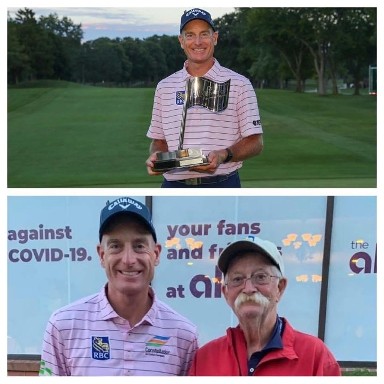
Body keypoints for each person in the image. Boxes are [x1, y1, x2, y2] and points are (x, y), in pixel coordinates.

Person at [39, 197, 198, 376]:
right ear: (101, 255)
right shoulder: (63, 325)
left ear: (156, 254)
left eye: (139, 246)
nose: (128, 260)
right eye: (116, 246)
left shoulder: (183, 334)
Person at [188, 236, 341, 376]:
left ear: (280, 287)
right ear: (226, 293)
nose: (248, 288)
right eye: (237, 279)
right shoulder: (205, 358)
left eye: (261, 277)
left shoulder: (314, 356)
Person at [146, 8, 263, 188]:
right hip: (173, 185)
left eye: (204, 34)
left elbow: (255, 143)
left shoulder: (240, 84)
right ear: (181, 41)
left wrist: (224, 154)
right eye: (190, 35)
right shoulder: (164, 87)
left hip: (223, 183)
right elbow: (159, 141)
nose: (198, 42)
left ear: (215, 37)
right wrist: (157, 157)